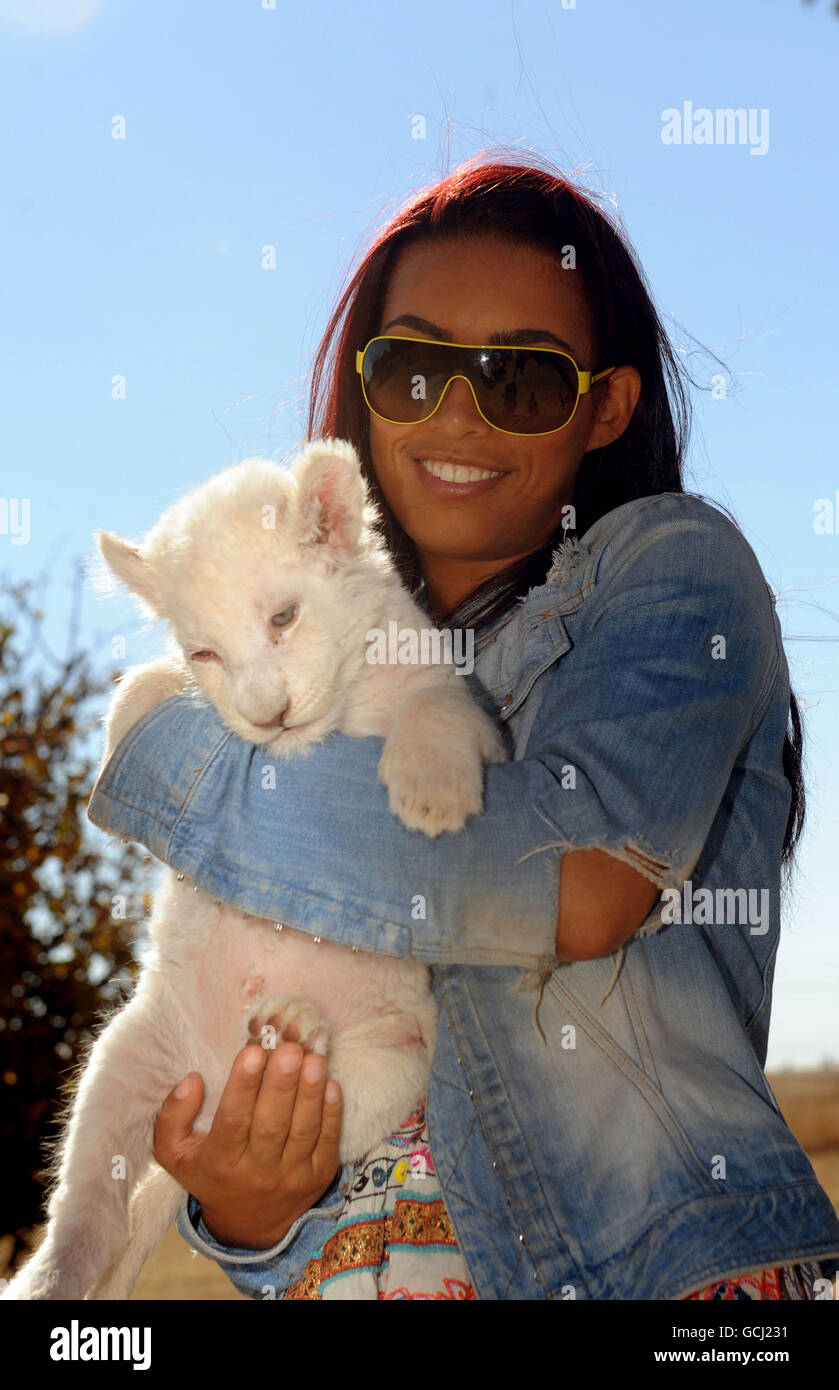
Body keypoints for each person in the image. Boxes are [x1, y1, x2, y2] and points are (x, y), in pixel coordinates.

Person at [88, 154, 839, 1300]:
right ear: (362, 386)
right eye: (412, 369)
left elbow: (576, 880)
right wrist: (246, 1212)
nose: (457, 412)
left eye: (521, 380)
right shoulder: (291, 647)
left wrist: (171, 757)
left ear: (605, 408)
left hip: (654, 1278)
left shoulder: (672, 570)